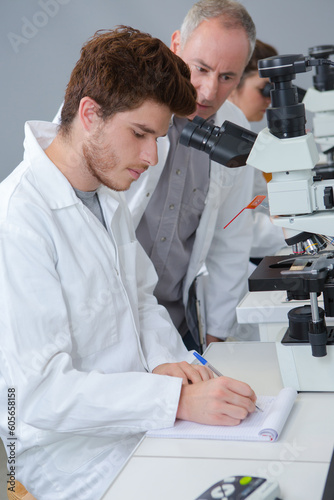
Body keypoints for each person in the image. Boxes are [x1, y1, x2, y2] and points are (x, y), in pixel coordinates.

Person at [0, 27, 257, 500]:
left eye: (158, 137)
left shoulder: (104, 195)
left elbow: (140, 298)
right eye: (140, 134)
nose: (150, 156)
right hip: (69, 454)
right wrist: (174, 399)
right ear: (90, 114)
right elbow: (38, 396)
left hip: (133, 419)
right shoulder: (19, 220)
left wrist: (170, 364)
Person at [124, 0, 257, 350]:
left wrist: (216, 339)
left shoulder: (235, 129)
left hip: (177, 325)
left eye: (227, 76)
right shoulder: (125, 106)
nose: (209, 91)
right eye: (201, 68)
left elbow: (232, 241)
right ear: (177, 46)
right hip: (113, 317)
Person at [228, 39, 287, 265]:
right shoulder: (226, 145)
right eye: (264, 89)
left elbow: (260, 200)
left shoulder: (246, 137)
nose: (270, 99)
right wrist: (295, 230)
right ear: (233, 84)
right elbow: (237, 226)